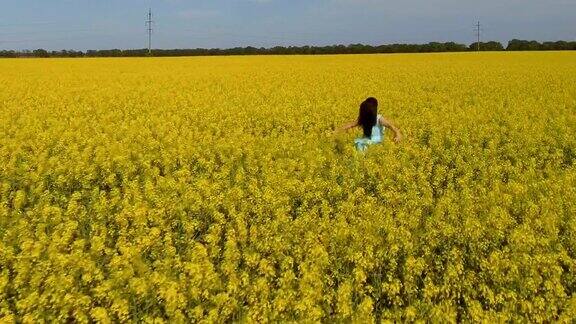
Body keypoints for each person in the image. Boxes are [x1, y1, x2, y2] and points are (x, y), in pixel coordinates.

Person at [336, 97, 402, 151]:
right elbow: (350, 125)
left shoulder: (378, 119)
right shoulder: (364, 119)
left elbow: (391, 126)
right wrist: (337, 131)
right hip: (367, 142)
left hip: (375, 143)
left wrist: (397, 134)